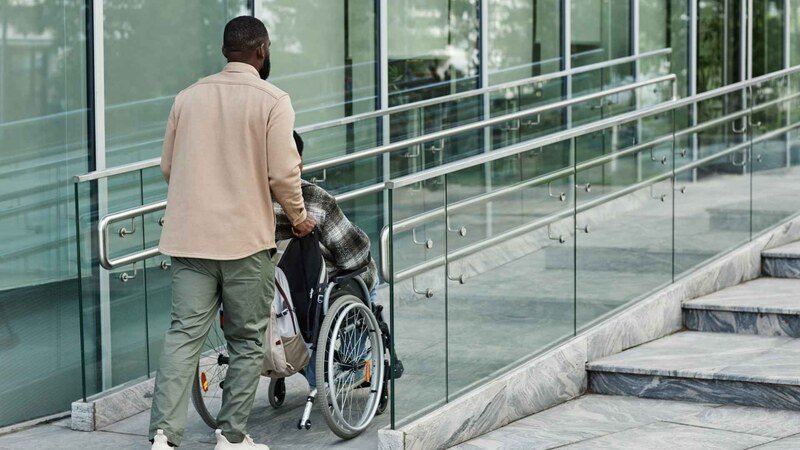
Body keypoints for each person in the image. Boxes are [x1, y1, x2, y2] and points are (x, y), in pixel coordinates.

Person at [148, 16, 315, 450]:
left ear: (226, 51)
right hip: (245, 242)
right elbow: (283, 174)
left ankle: (163, 437)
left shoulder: (187, 98)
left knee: (183, 336)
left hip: (190, 240)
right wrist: (298, 217)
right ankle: (231, 437)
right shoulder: (273, 100)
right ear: (261, 51)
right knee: (245, 339)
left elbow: (168, 167)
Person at [273, 131, 379, 390]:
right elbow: (353, 255)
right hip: (311, 295)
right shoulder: (314, 199)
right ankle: (351, 365)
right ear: (298, 162)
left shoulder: (247, 200)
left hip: (267, 291)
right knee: (368, 278)